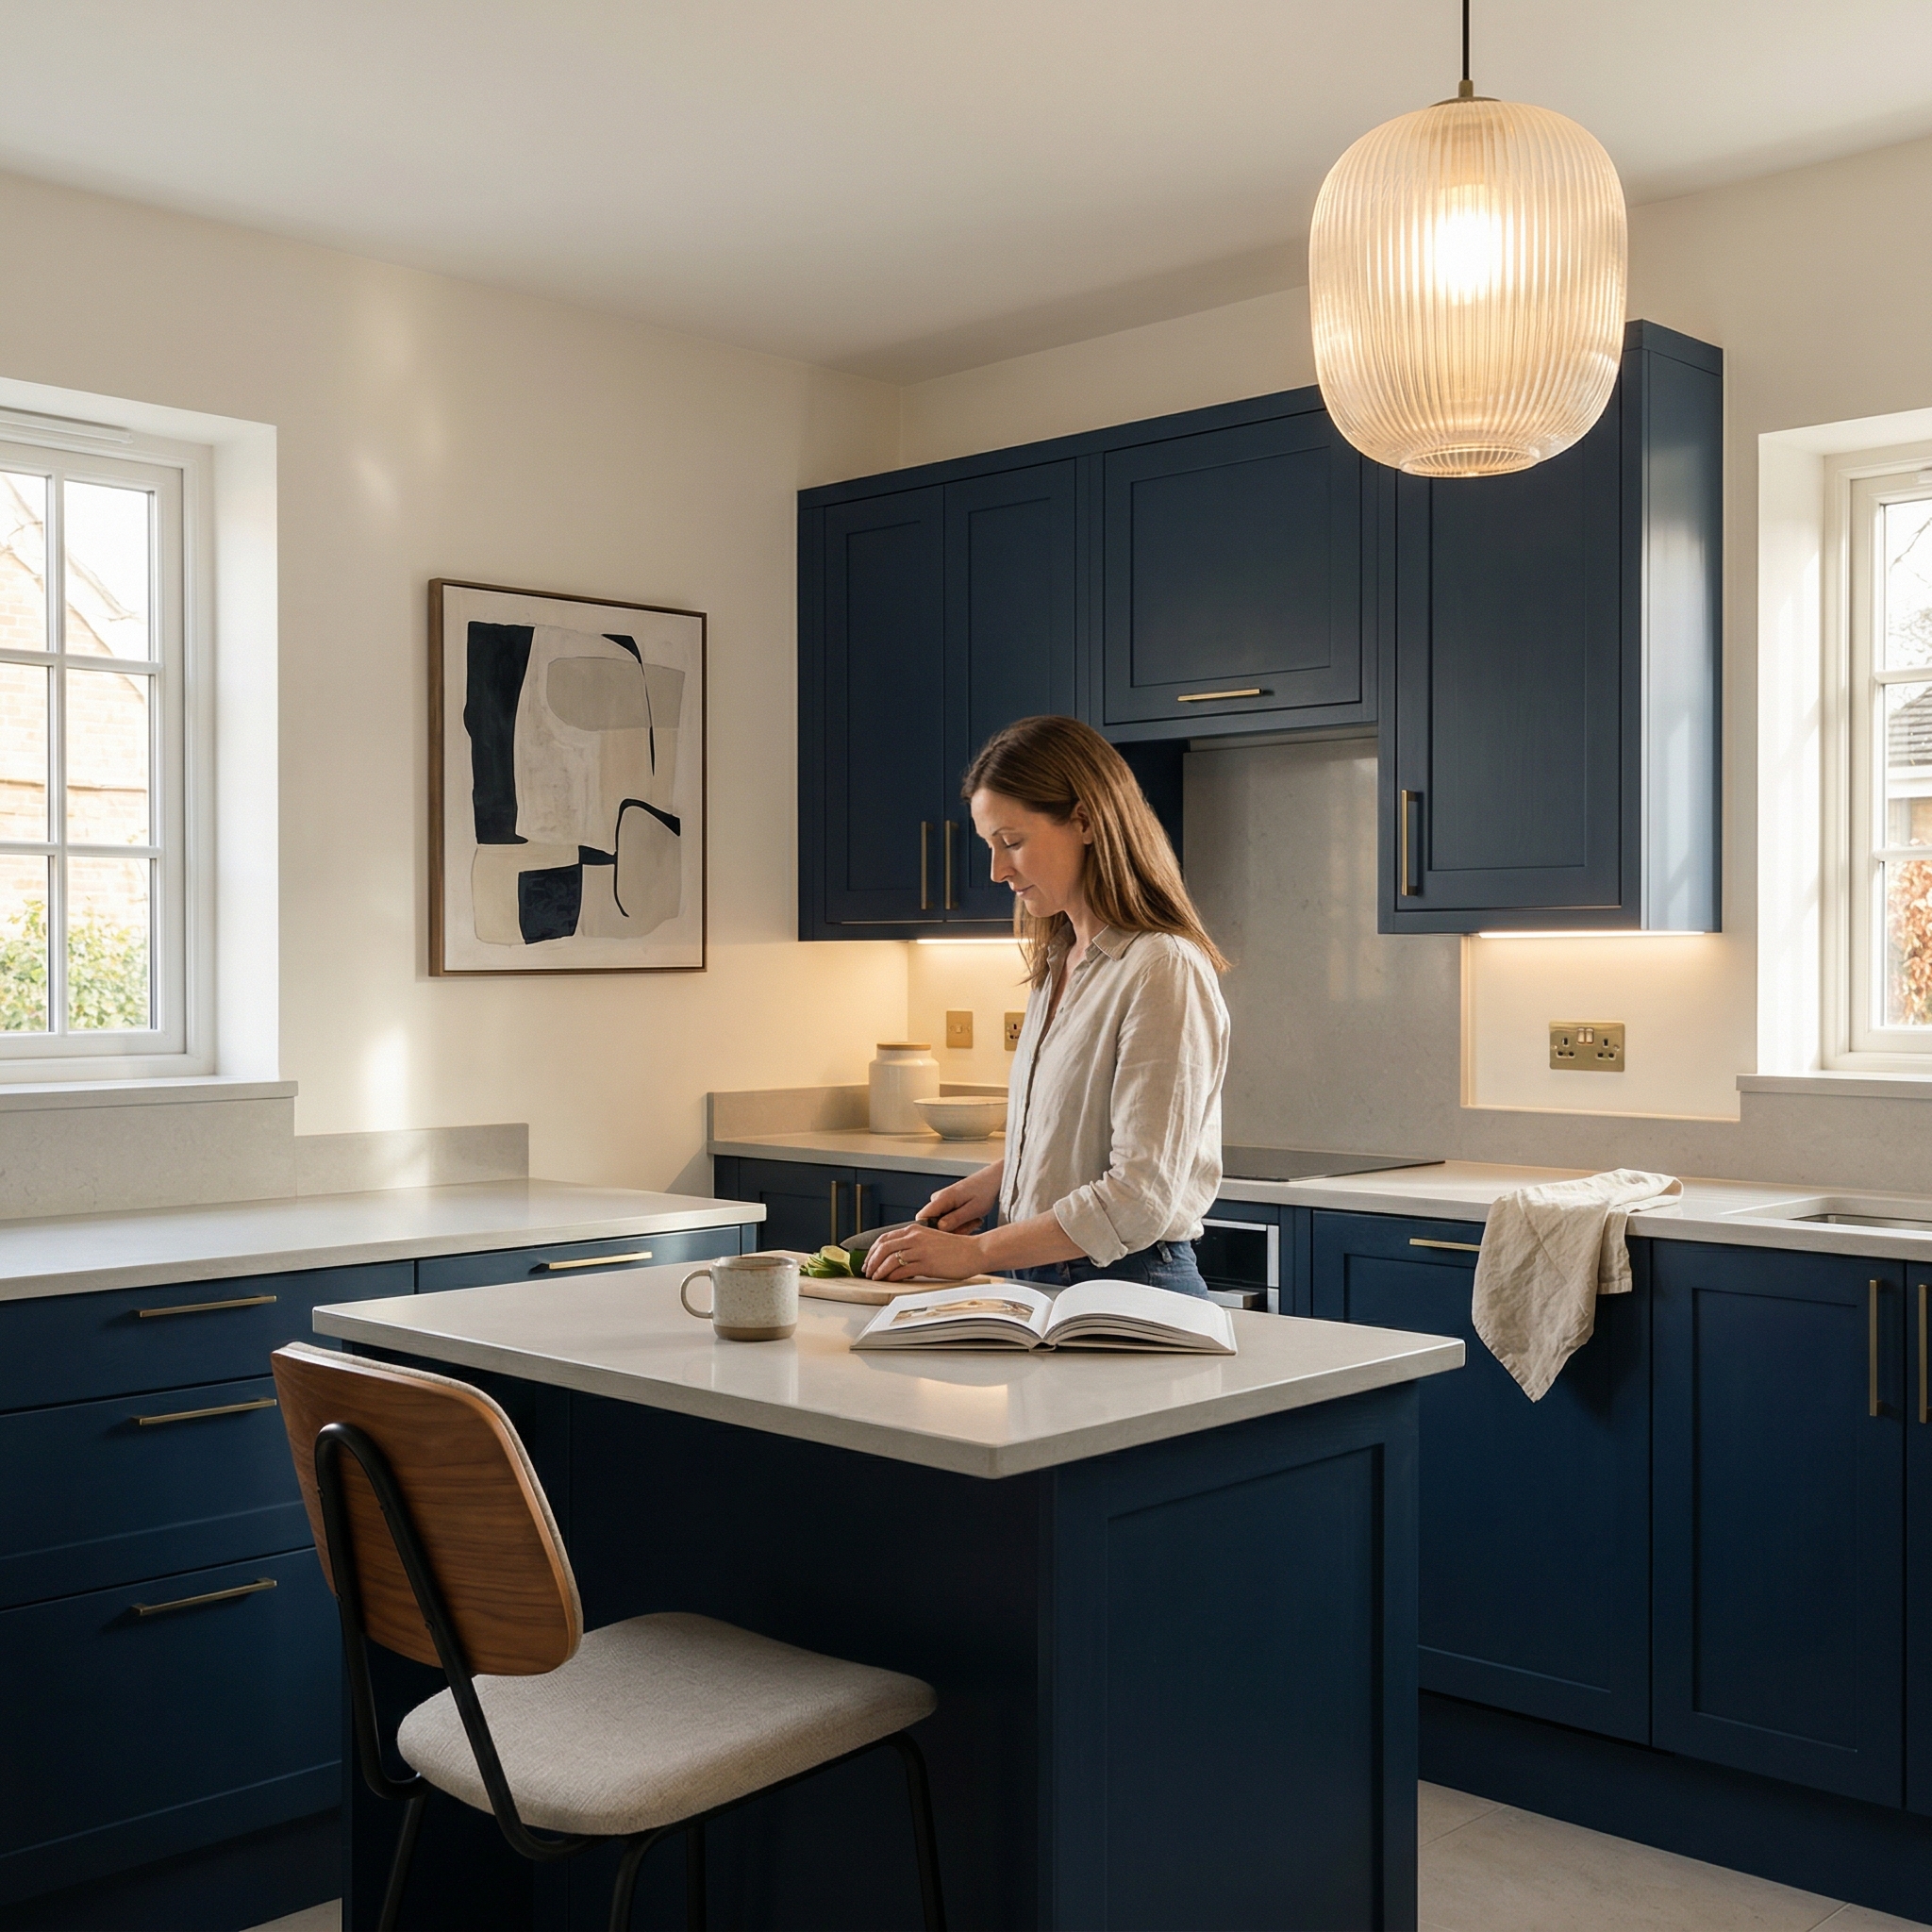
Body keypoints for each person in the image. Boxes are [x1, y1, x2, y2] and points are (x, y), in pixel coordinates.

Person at [863, 715, 1231, 1298]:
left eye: (1012, 842)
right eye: (991, 846)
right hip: (1039, 1280)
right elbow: (1078, 1138)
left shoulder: (1161, 967)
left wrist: (975, 1253)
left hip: (1130, 1289)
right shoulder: (1058, 961)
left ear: (1084, 820)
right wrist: (1002, 1179)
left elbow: (1139, 1199)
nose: (996, 870)